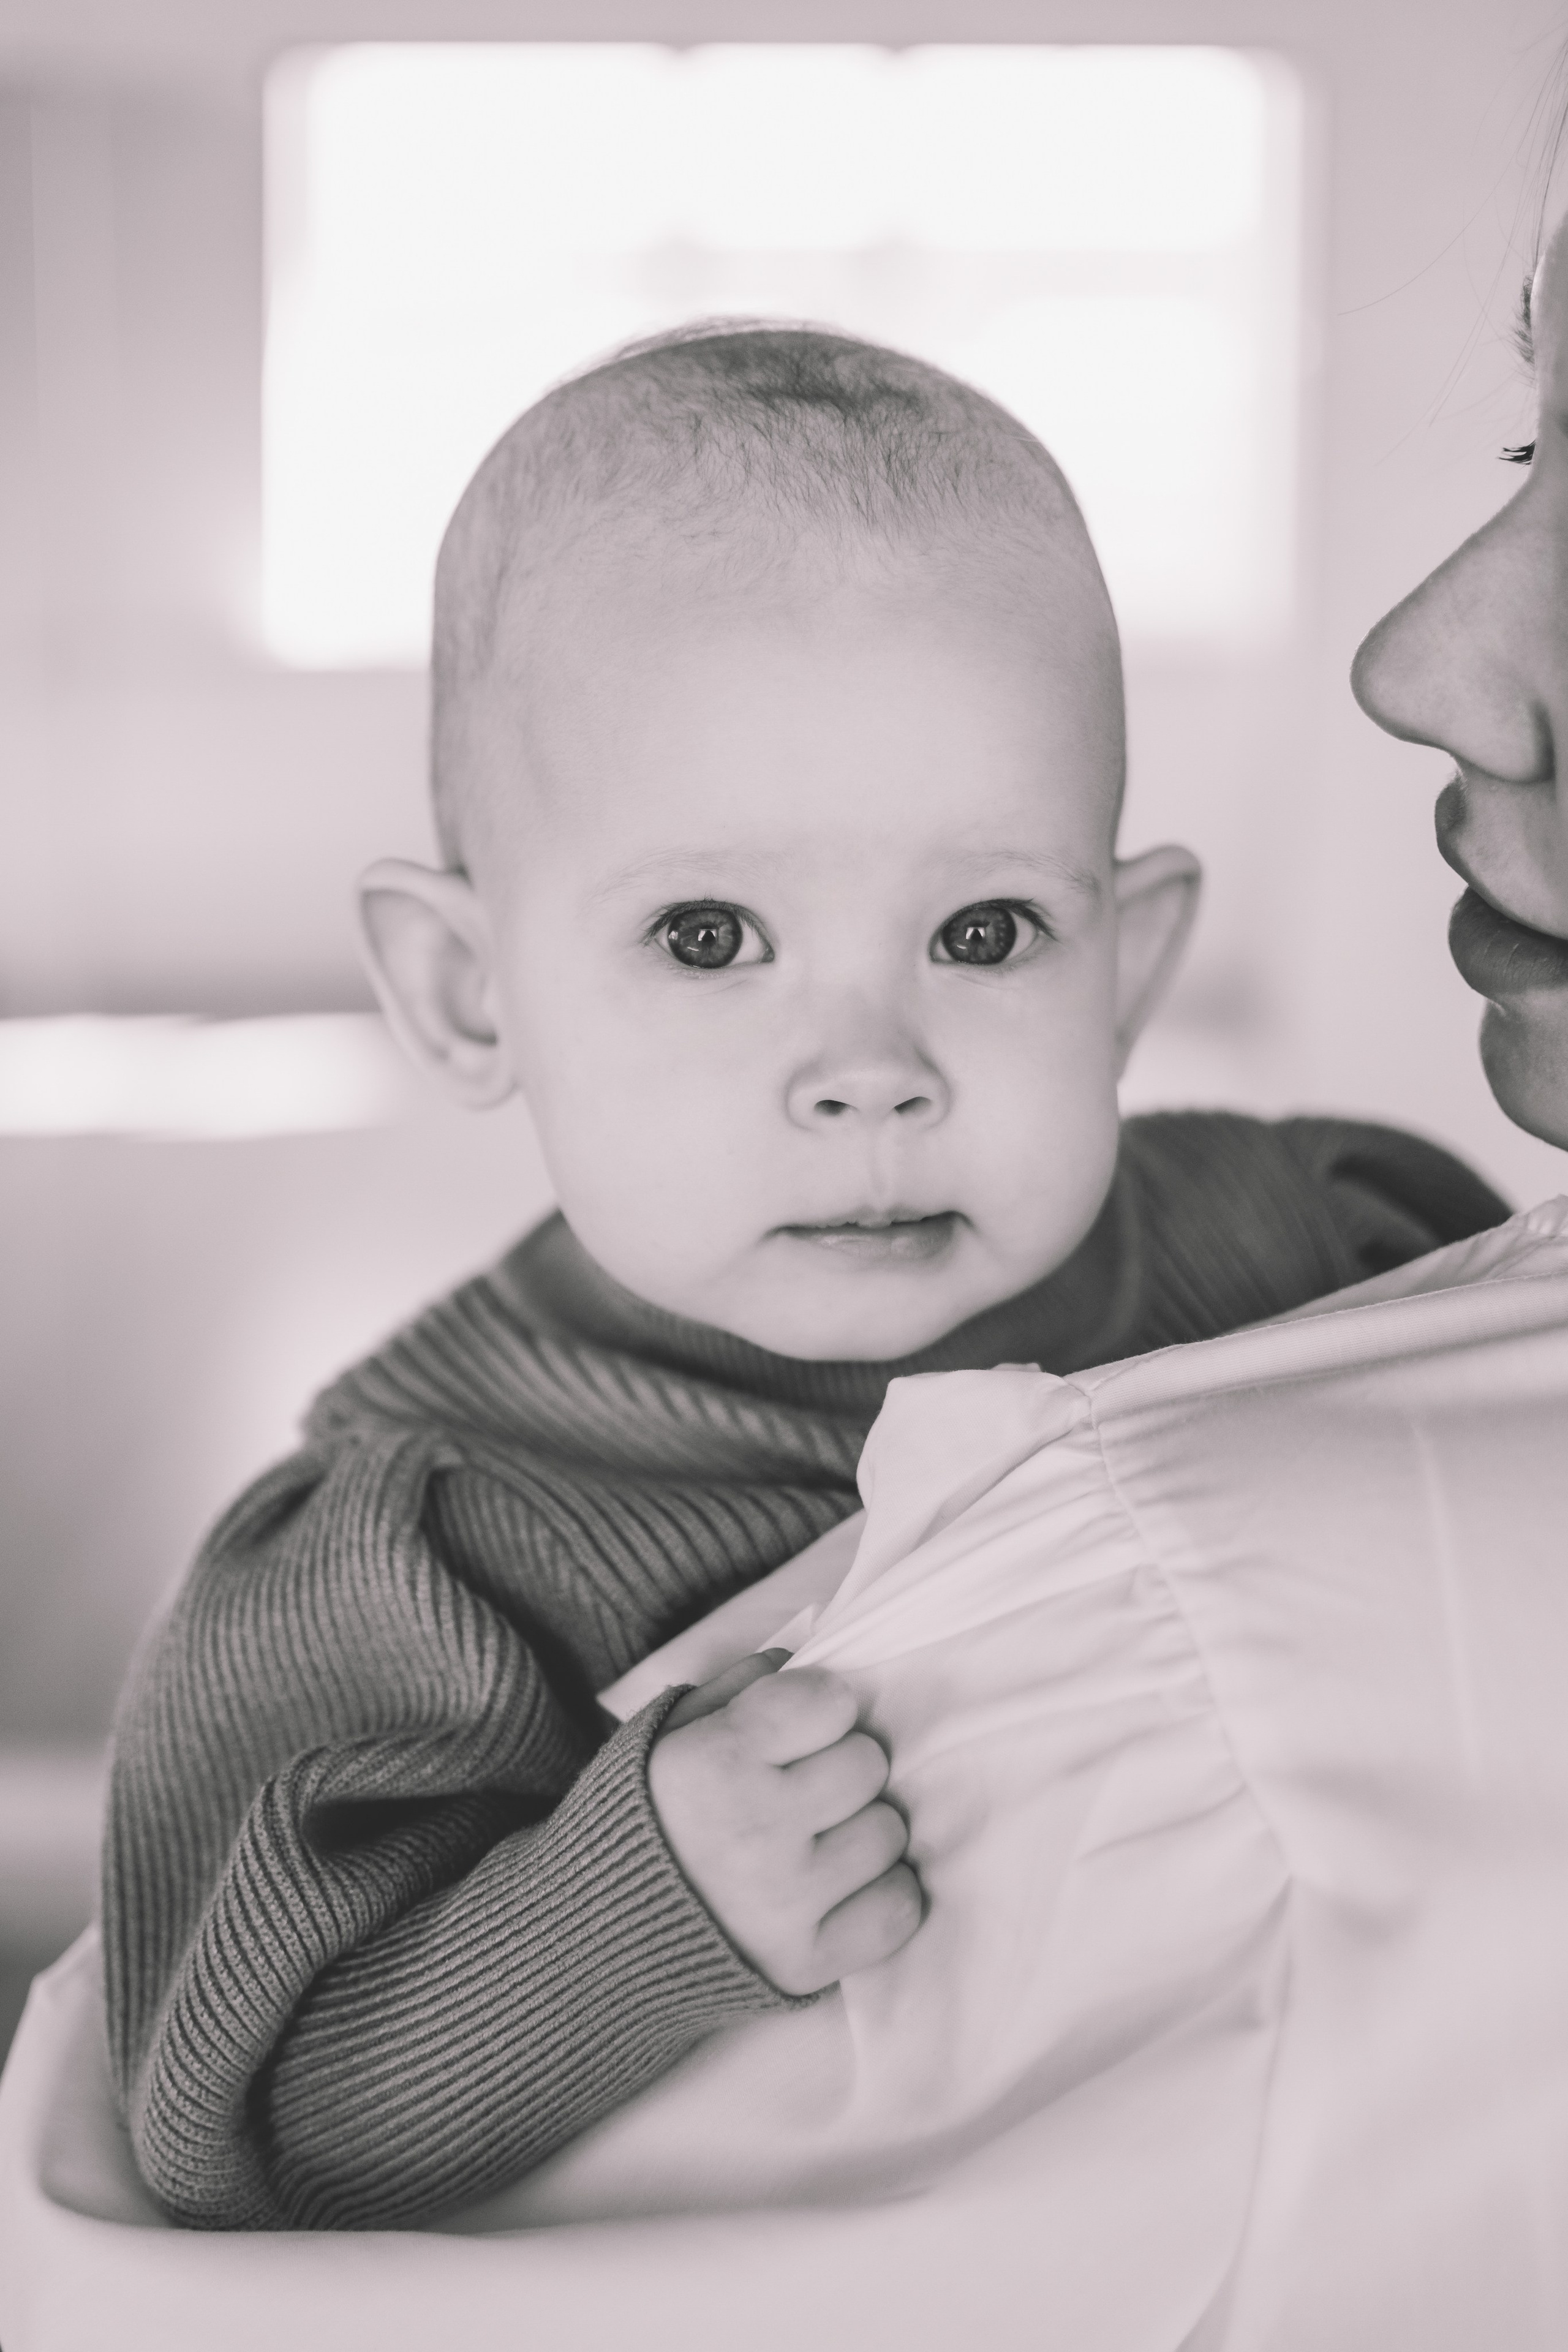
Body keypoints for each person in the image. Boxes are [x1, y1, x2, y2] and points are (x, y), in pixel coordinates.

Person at [100, 325, 1504, 2235]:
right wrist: (630, 1906)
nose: (869, 1066)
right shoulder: (420, 1550)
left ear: (1128, 968)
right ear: (468, 992)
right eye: (709, 936)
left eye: (984, 931)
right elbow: (249, 2134)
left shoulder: (1325, 1240)